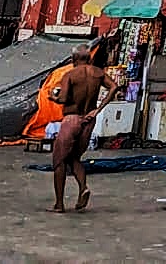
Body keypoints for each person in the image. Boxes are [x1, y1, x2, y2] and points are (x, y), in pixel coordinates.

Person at [47, 45, 118, 213]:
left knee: (59, 160)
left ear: (73, 60)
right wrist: (98, 109)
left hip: (72, 119)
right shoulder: (98, 73)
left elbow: (63, 98)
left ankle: (59, 204)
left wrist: (53, 96)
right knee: (75, 158)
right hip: (89, 119)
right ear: (89, 58)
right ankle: (83, 187)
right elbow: (114, 87)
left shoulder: (70, 75)